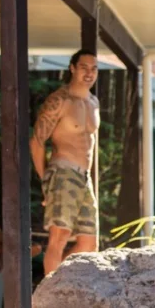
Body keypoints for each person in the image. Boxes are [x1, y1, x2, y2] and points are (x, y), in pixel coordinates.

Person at [30, 48, 100, 276]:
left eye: (94, 68)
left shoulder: (93, 103)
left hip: (84, 177)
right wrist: (45, 181)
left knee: (89, 244)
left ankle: (60, 284)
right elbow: (37, 141)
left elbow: (91, 145)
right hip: (63, 172)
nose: (89, 73)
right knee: (58, 237)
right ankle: (51, 298)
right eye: (83, 68)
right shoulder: (59, 101)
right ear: (72, 68)